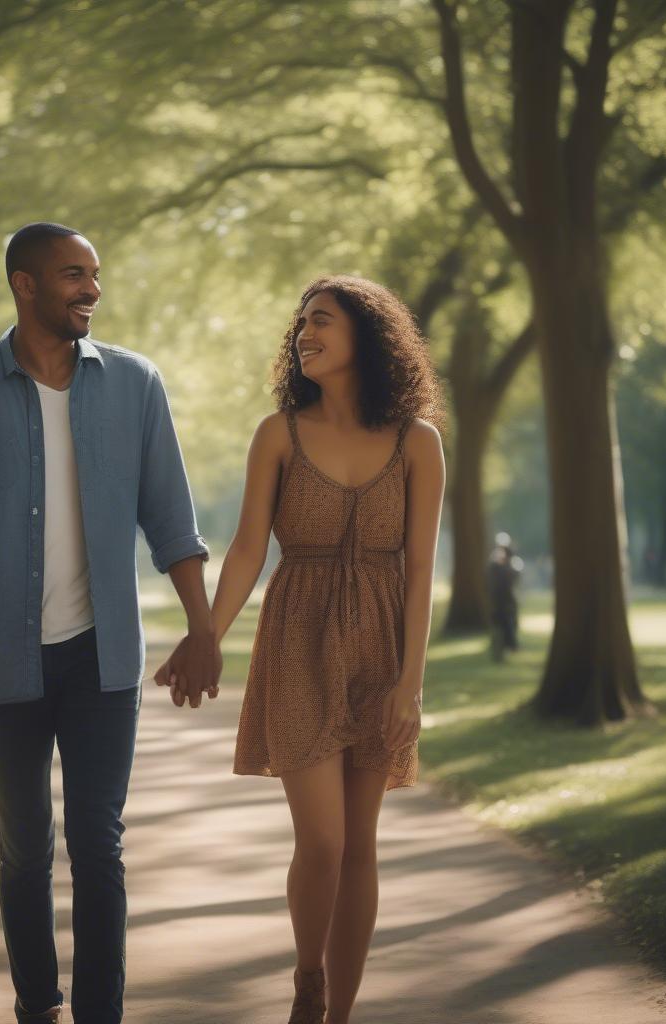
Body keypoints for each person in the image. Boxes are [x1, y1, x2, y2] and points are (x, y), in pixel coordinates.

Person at [0, 222, 220, 1024]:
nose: (92, 290)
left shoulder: (136, 384)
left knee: (98, 845)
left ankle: (100, 1015)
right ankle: (38, 1007)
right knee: (24, 848)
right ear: (25, 284)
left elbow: (173, 522)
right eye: (74, 275)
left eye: (96, 275)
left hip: (101, 657)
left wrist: (204, 628)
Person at [157, 275, 446, 1024]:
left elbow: (420, 572)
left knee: (361, 850)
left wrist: (409, 686)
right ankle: (308, 974)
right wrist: (206, 636)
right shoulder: (278, 433)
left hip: (382, 643)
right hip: (299, 641)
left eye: (321, 321)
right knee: (322, 841)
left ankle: (337, 1013)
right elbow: (250, 547)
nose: (303, 334)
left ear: (367, 338)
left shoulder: (419, 441)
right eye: (300, 325)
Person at [487, 531, 522, 659]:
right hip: (498, 600)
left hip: (509, 600)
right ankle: (499, 650)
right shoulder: (493, 563)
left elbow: (515, 577)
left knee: (510, 623)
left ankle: (510, 645)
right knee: (498, 625)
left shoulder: (512, 562)